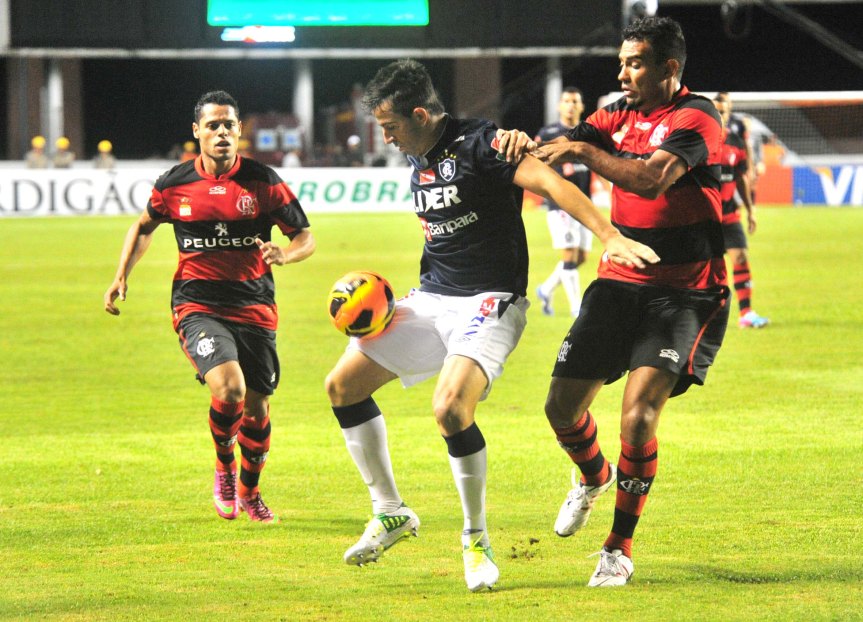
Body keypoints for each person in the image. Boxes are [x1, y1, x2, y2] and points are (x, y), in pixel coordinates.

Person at [324, 59, 658, 592]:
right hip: (432, 299)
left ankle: (475, 542)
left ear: (419, 113)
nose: (385, 138)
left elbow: (551, 184)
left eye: (389, 126)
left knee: (450, 408)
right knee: (341, 386)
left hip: (491, 301)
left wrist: (608, 235)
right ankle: (390, 512)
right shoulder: (419, 156)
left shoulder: (483, 145)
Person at [496, 17, 729, 587]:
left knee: (639, 417)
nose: (622, 73)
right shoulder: (616, 113)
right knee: (560, 409)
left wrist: (578, 147)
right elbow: (566, 149)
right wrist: (524, 142)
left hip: (684, 293)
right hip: (620, 280)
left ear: (669, 68)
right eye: (622, 62)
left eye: (635, 63)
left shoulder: (696, 116)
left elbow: (650, 181)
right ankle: (592, 476)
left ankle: (618, 548)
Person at [104, 90, 315, 523]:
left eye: (229, 125)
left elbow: (304, 237)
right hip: (197, 304)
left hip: (255, 306)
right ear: (197, 131)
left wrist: (285, 255)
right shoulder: (173, 183)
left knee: (256, 409)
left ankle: (250, 493)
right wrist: (122, 273)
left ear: (240, 131)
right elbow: (143, 226)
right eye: (213, 125)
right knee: (230, 388)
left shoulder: (263, 181)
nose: (222, 132)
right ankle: (224, 465)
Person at [534, 87, 593, 318]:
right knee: (569, 255)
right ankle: (576, 307)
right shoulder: (549, 132)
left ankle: (546, 289)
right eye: (566, 101)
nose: (570, 105)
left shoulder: (588, 132)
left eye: (574, 101)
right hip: (561, 204)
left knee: (581, 257)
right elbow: (535, 162)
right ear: (559, 105)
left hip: (584, 203)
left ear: (581, 106)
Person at [713, 93, 769, 328]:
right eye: (716, 111)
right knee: (706, 270)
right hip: (705, 219)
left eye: (723, 111)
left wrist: (751, 209)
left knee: (740, 257)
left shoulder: (735, 141)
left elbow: (740, 178)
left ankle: (746, 314)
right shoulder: (698, 141)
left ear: (728, 113)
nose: (720, 115)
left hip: (729, 214)